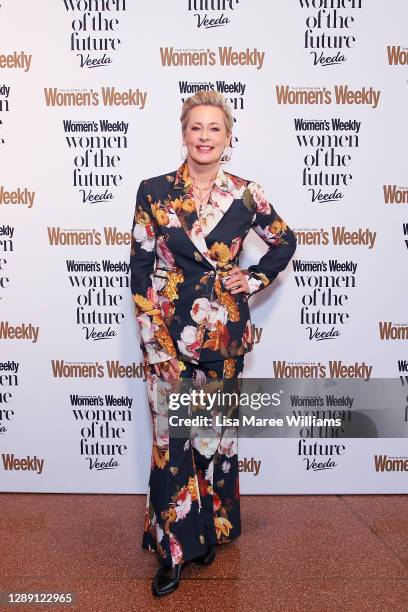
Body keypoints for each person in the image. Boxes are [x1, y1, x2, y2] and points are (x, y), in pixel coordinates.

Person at [129, 90, 297, 597]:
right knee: (171, 442)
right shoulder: (154, 191)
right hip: (167, 334)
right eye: (196, 128)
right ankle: (174, 549)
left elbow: (284, 239)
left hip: (223, 333)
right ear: (184, 133)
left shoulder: (246, 194)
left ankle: (214, 527)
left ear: (228, 138)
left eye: (215, 129)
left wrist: (257, 277)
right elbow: (140, 268)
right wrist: (152, 338)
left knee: (214, 439)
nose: (205, 137)